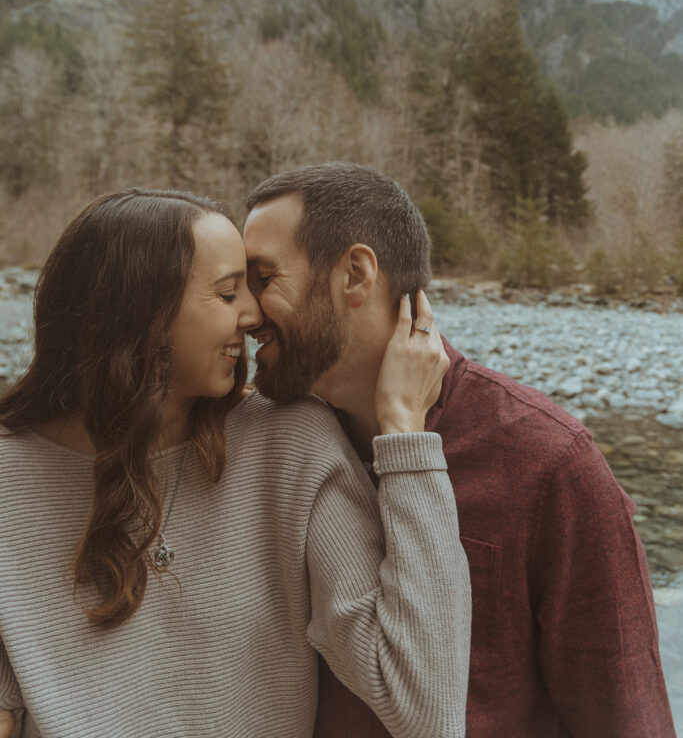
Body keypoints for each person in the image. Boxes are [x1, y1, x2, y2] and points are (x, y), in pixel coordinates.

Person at [0, 188, 471, 738]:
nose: (253, 315)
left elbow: (426, 706)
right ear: (137, 313)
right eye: (227, 294)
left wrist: (405, 434)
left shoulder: (289, 444)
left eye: (253, 286)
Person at [243, 162, 677, 738]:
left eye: (263, 279)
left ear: (355, 274)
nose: (245, 313)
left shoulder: (547, 460)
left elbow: (624, 715)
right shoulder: (268, 439)